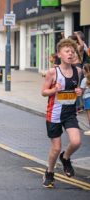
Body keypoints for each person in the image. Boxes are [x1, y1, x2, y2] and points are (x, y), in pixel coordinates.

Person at [41, 38, 82, 188]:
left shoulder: (78, 71)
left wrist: (79, 92)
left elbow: (76, 89)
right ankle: (49, 172)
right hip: (54, 114)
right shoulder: (53, 72)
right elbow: (43, 92)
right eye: (67, 51)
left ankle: (65, 158)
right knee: (56, 147)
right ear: (59, 54)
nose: (70, 54)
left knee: (76, 141)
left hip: (70, 113)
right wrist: (54, 90)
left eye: (72, 51)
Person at [80, 63, 90, 136]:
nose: (82, 70)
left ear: (85, 70)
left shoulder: (84, 79)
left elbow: (81, 90)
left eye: (83, 68)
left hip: (87, 98)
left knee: (89, 115)